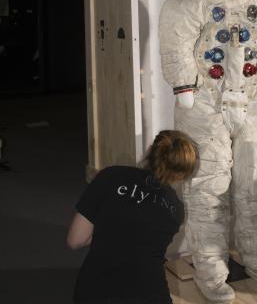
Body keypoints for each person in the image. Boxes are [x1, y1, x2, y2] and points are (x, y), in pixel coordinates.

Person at [158, 0, 257, 302]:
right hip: (204, 104)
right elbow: (175, 40)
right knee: (207, 189)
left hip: (250, 102)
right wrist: (183, 83)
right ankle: (211, 271)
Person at [67, 130, 197, 304]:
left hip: (97, 294)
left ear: (150, 151)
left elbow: (75, 240)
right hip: (151, 296)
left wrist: (108, 226)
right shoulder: (177, 210)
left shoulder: (111, 176)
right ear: (181, 174)